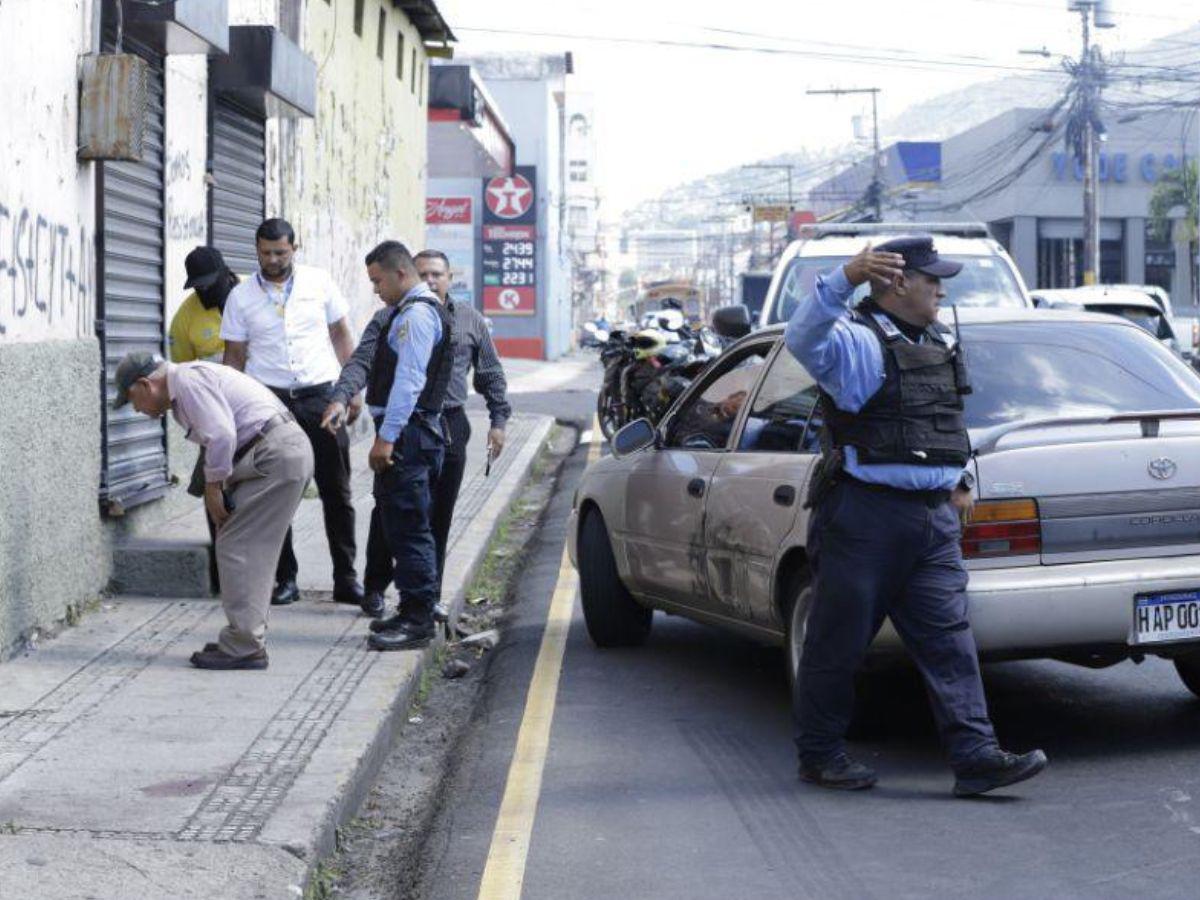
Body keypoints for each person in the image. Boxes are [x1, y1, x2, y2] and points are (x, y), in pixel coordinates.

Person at [786, 236, 1047, 798]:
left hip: (932, 522)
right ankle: (821, 755)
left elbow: (944, 424)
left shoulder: (938, 339)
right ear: (898, 282)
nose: (941, 287)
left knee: (950, 643)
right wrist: (844, 278)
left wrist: (960, 479)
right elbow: (800, 337)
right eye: (932, 278)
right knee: (838, 642)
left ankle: (976, 757)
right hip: (864, 520)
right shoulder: (855, 342)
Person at [322, 250, 510, 619]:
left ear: (448, 277)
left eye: (436, 274)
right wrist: (342, 396)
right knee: (393, 513)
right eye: (423, 273)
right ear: (410, 273)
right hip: (405, 425)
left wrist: (499, 421)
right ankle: (376, 588)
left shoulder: (469, 320)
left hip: (448, 425)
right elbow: (361, 361)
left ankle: (425, 599)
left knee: (433, 516)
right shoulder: (389, 317)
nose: (430, 280)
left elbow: (489, 372)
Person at [114, 351, 313, 669]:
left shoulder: (188, 381)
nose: (136, 409)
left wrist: (213, 486)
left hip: (274, 453)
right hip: (276, 451)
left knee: (239, 545)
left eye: (131, 399)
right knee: (248, 547)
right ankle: (243, 639)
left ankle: (244, 645)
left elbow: (221, 434)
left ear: (145, 384)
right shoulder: (188, 381)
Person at [221, 218, 365, 608]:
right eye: (265, 252)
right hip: (267, 400)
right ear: (256, 251)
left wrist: (350, 389)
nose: (272, 259)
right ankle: (285, 578)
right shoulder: (241, 297)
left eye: (280, 252)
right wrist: (231, 409)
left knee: (337, 488)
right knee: (274, 490)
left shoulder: (320, 283)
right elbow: (234, 356)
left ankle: (347, 577)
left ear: (294, 249)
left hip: (321, 396)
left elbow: (341, 334)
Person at [350, 240, 455, 650]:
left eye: (378, 281)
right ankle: (413, 607)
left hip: (408, 435)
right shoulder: (415, 311)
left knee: (410, 530)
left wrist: (386, 437)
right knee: (403, 526)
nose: (376, 290)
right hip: (416, 434)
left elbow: (408, 382)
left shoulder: (415, 316)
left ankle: (417, 621)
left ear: (399, 274)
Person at [169, 246, 241, 593]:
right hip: (214, 418)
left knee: (262, 495)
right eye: (196, 286)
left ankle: (281, 577)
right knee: (215, 493)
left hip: (256, 414)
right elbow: (181, 378)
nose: (202, 291)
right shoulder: (185, 319)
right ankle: (222, 576)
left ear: (226, 274)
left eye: (208, 284)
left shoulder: (252, 300)